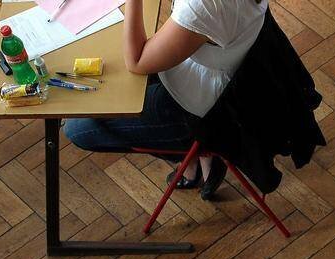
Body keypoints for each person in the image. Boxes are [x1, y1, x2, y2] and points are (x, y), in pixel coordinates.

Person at [64, 0, 270, 199]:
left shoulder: (206, 5)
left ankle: (195, 153)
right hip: (208, 67)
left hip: (203, 110)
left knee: (79, 129)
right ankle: (195, 157)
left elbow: (136, 61)